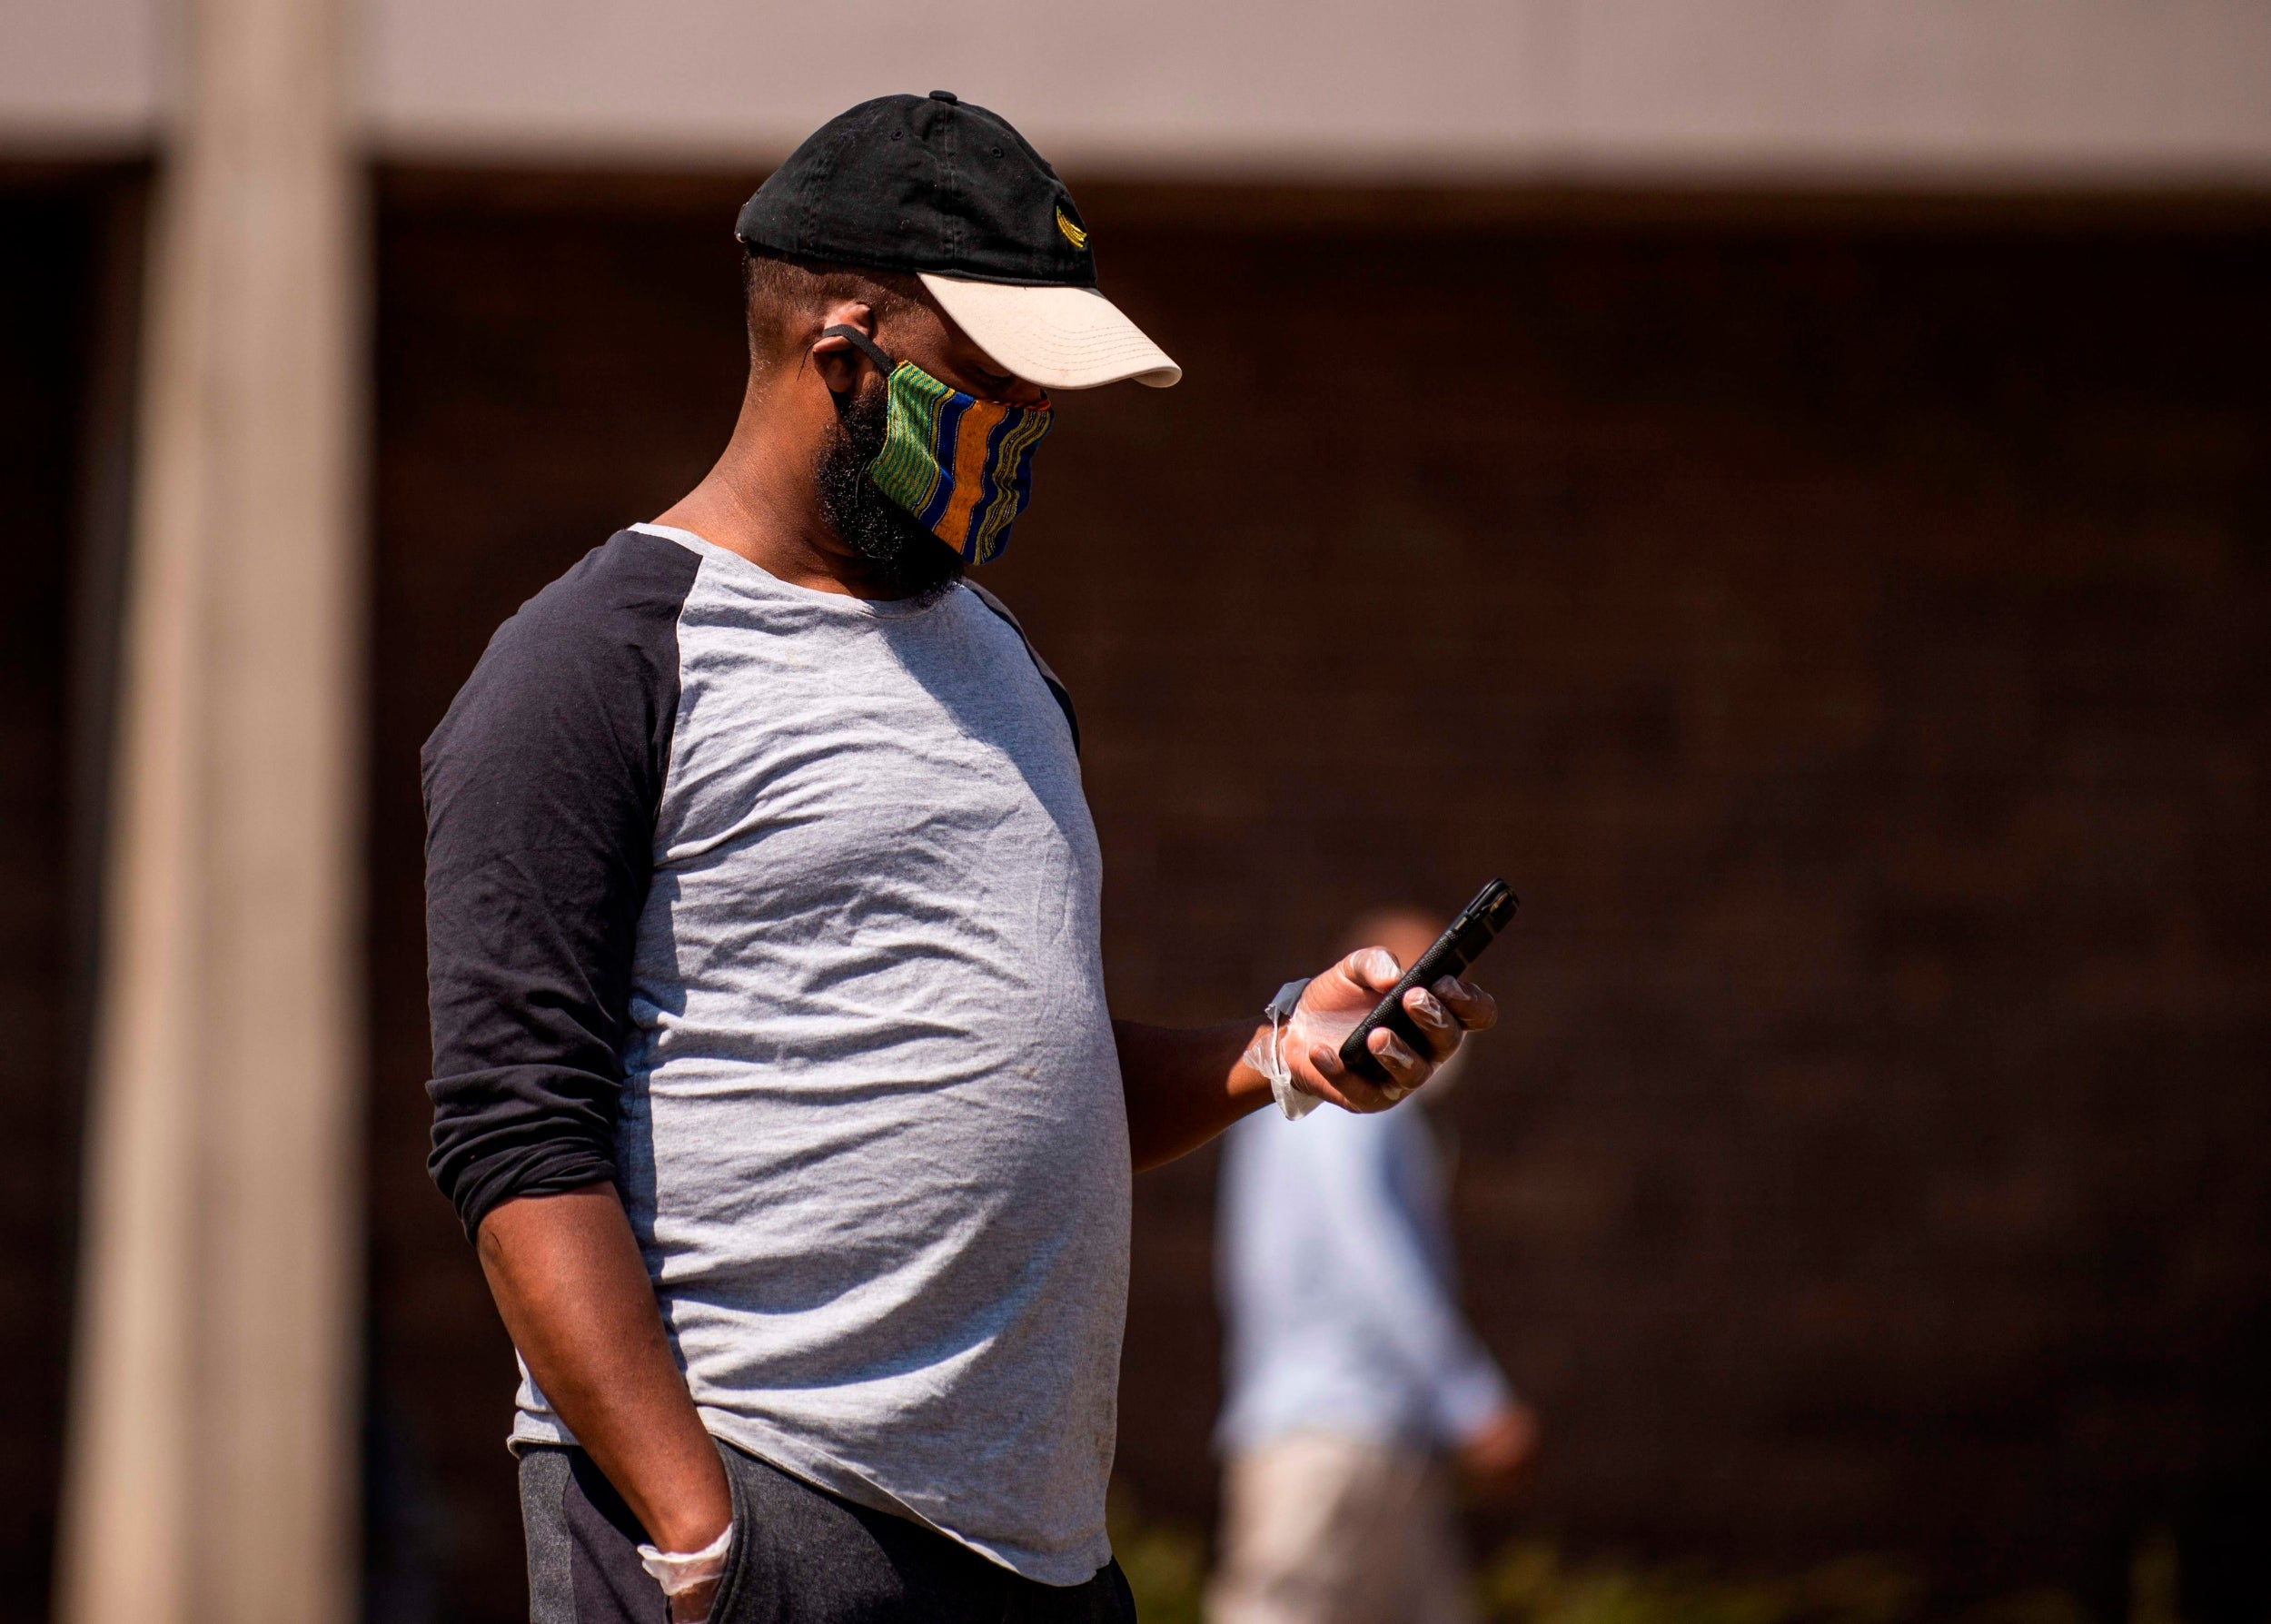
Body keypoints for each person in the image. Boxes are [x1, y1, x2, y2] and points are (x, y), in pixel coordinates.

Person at [421, 94, 1499, 1624]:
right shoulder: (595, 664)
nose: (1029, 433)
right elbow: (513, 1137)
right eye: (995, 385)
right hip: (754, 1512)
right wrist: (697, 1531)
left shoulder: (995, 660)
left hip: (1035, 1549)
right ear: (844, 351)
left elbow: (1009, 1066)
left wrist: (1276, 1052)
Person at [1207, 909, 1539, 1624]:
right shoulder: (1344, 1098)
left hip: (1384, 1436)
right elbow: (1375, 1257)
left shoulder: (1365, 1106)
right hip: (1327, 1439)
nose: (1442, 1010)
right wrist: (1472, 1399)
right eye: (1427, 986)